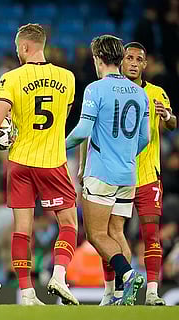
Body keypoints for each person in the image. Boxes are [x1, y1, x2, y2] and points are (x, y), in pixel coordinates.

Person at [0, 23, 79, 306]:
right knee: (69, 222)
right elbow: (64, 117)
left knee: (22, 230)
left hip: (19, 163)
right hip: (52, 161)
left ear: (24, 47)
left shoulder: (10, 78)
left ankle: (27, 293)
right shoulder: (67, 77)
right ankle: (58, 274)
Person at [65, 35, 149, 306]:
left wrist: (58, 147)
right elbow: (145, 138)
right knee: (116, 233)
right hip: (128, 173)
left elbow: (84, 131)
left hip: (101, 173)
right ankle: (123, 292)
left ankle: (129, 274)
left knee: (96, 235)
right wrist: (125, 154)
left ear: (97, 59)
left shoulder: (95, 89)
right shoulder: (140, 92)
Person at [99, 42, 176, 306]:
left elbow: (172, 123)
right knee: (107, 234)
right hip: (117, 176)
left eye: (138, 59)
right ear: (121, 61)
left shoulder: (156, 93)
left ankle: (153, 292)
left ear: (145, 64)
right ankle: (112, 292)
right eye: (128, 57)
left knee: (150, 234)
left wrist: (167, 115)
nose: (133, 62)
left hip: (146, 177)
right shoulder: (110, 91)